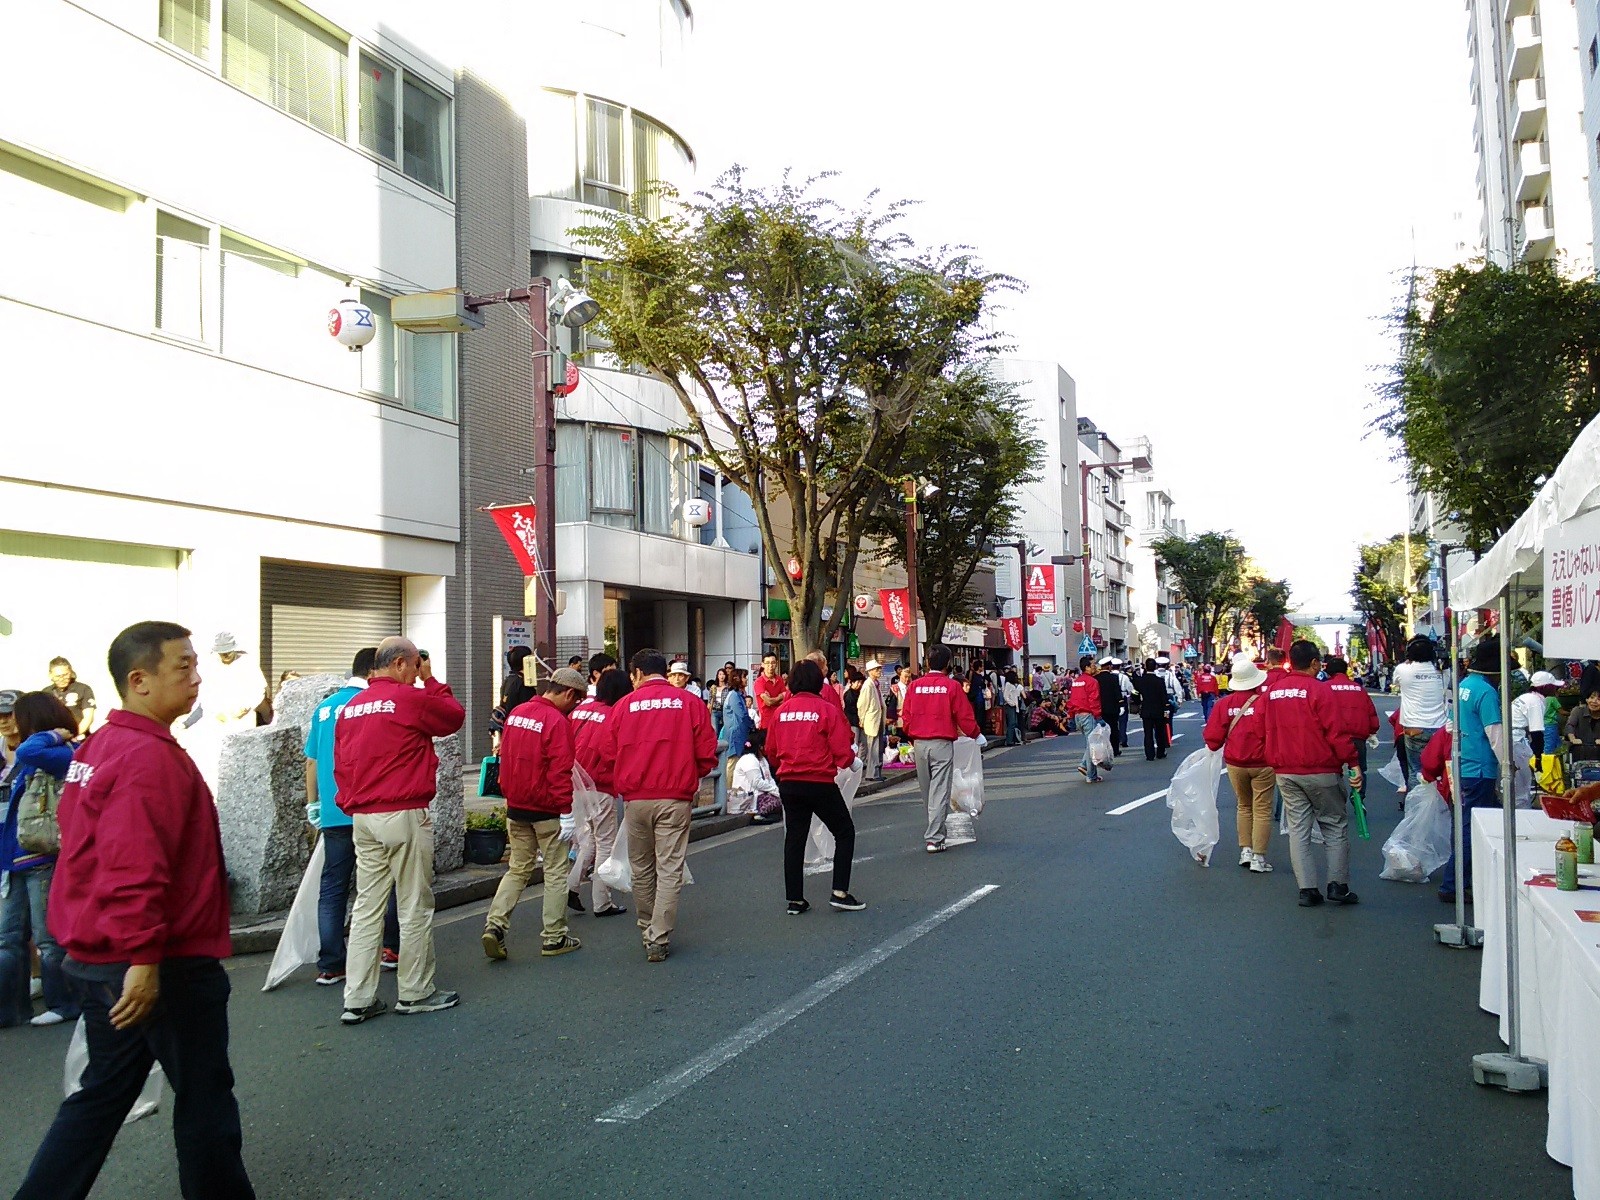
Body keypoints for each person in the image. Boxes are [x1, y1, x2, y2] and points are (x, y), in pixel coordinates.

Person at [12, 621, 254, 1200]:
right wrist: (144, 960)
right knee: (203, 1094)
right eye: (184, 667)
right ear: (139, 680)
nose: (197, 678)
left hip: (105, 955)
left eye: (196, 665)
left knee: (101, 1096)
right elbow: (133, 866)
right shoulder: (146, 757)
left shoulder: (100, 746)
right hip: (158, 962)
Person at [333, 637, 465, 1023]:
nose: (416, 673)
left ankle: (357, 998)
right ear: (402, 664)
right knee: (413, 904)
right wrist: (432, 680)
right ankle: (415, 991)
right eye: (414, 666)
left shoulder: (351, 708)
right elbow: (452, 716)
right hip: (403, 811)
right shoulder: (407, 698)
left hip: (363, 816)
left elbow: (341, 763)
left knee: (367, 907)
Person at [602, 649, 719, 962]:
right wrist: (690, 774)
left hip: (635, 798)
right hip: (675, 796)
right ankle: (658, 936)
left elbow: (608, 753)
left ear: (638, 673)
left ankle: (646, 927)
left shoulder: (623, 706)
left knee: (641, 867)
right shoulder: (689, 703)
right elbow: (706, 753)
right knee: (669, 868)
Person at [302, 648, 400, 987]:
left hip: (332, 812)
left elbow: (312, 760)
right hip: (369, 806)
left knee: (333, 887)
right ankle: (391, 948)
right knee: (386, 880)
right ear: (374, 671)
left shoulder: (324, 708)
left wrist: (313, 804)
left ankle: (331, 964)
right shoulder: (373, 704)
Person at [482, 667, 589, 962]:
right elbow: (560, 770)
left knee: (518, 869)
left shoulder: (517, 713)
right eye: (576, 700)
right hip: (546, 809)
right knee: (555, 872)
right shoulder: (557, 721)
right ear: (568, 693)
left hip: (516, 806)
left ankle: (495, 925)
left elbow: (505, 757)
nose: (575, 706)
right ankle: (554, 936)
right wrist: (566, 812)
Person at [1, 691, 79, 1026]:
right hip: (13, 859)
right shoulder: (27, 757)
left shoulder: (61, 752)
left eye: (17, 716)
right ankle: (10, 1009)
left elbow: (28, 749)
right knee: (7, 938)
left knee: (48, 938)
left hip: (41, 857)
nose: (12, 723)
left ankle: (63, 1003)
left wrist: (54, 734)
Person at [765, 660, 865, 915]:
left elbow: (771, 751)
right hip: (819, 782)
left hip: (789, 782)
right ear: (818, 682)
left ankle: (795, 899)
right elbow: (841, 749)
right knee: (844, 831)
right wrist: (852, 762)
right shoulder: (826, 710)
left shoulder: (781, 712)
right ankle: (840, 892)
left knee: (794, 839)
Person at [1265, 640, 1359, 908]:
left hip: (1285, 770)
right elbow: (1336, 731)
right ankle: (1338, 885)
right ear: (1314, 663)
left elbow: (1262, 728)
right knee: (1334, 825)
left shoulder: (1273, 692)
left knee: (1298, 830)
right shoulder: (1319, 690)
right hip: (1321, 768)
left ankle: (1307, 889)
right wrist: (1352, 762)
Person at [1439, 638, 1505, 904]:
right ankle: (1454, 883)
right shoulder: (1487, 692)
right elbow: (1495, 734)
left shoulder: (1464, 685)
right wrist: (1509, 765)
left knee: (1463, 824)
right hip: (1480, 767)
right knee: (1472, 827)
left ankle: (1458, 880)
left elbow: (1449, 726)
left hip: (1462, 764)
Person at [899, 645, 980, 853]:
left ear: (927, 662)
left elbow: (906, 715)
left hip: (919, 742)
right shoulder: (951, 686)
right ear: (947, 663)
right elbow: (964, 714)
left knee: (927, 789)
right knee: (940, 789)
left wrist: (910, 733)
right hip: (942, 742)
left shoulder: (914, 686)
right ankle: (934, 837)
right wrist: (975, 734)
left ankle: (935, 829)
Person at [569, 667, 632, 917]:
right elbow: (612, 754)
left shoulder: (579, 710)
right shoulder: (614, 715)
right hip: (601, 785)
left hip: (575, 784)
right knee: (605, 842)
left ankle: (571, 886)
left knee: (589, 840)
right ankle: (602, 902)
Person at [1204, 655, 1274, 873]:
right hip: (1263, 762)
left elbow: (1213, 739)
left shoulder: (1223, 704)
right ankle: (1259, 858)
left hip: (1235, 762)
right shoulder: (1266, 702)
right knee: (1262, 809)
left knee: (1243, 806)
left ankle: (1245, 850)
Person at [1392, 637, 1447, 793]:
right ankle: (1440, 803)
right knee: (1440, 771)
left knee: (1416, 770)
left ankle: (1416, 805)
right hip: (1440, 729)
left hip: (1414, 728)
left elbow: (1395, 683)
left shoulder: (1402, 670)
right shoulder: (1443, 671)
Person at [1322, 657, 1379, 798]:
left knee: (1333, 771)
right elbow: (1370, 711)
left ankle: (1336, 798)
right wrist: (1372, 731)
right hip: (1357, 736)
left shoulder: (1324, 688)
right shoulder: (1358, 689)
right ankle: (1359, 797)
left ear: (1328, 672)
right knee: (1360, 769)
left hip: (1332, 737)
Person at [1511, 671, 1559, 804]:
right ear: (1546, 687)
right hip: (1517, 741)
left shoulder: (1526, 697)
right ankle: (1522, 810)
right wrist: (1538, 758)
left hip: (1513, 738)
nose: (1556, 688)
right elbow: (1537, 733)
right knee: (1522, 784)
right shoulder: (1535, 701)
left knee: (1514, 782)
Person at [717, 668, 753, 814]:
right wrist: (752, 725)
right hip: (735, 734)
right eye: (744, 677)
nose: (746, 680)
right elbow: (742, 715)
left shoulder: (738, 695)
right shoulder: (734, 696)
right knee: (732, 763)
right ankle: (727, 794)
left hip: (739, 733)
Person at [1065, 656, 1105, 783]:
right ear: (1087, 667)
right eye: (1093, 665)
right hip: (1088, 715)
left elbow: (1072, 700)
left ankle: (1090, 771)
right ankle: (1089, 773)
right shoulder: (1092, 681)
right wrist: (1098, 716)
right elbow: (1094, 700)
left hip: (1078, 715)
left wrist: (1071, 716)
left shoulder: (1076, 682)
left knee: (1090, 744)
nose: (1095, 667)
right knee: (1092, 745)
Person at [731, 729, 782, 822]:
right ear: (760, 746)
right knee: (779, 802)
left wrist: (776, 791)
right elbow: (756, 782)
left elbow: (769, 779)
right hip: (750, 797)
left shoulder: (762, 760)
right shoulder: (749, 760)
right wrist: (775, 791)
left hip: (762, 793)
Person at [491, 646, 535, 752]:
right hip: (521, 736)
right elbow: (529, 712)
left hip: (509, 732)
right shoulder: (524, 684)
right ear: (527, 661)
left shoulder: (508, 680)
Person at [45, 658, 95, 740]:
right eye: (58, 676)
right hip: (55, 740)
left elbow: (88, 718)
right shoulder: (46, 693)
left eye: (65, 675)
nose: (62, 679)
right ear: (50, 675)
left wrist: (74, 735)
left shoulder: (83, 689)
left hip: (79, 738)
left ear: (70, 672)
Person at [1135, 660, 1171, 760]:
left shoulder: (1140, 680)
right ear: (1155, 667)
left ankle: (1149, 754)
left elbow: (1135, 693)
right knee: (1160, 732)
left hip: (1146, 709)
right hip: (1158, 710)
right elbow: (1164, 696)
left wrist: (1138, 702)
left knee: (1148, 733)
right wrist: (1166, 708)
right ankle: (1160, 752)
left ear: (1145, 667)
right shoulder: (1159, 681)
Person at [859, 660, 887, 778]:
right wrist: (862, 719)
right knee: (873, 748)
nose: (879, 671)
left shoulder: (875, 684)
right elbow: (862, 704)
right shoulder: (868, 685)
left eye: (879, 669)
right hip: (872, 719)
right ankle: (872, 774)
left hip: (878, 718)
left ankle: (877, 772)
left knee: (878, 747)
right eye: (876, 669)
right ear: (870, 671)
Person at [1096, 658, 1124, 757]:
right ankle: (1115, 750)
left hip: (1101, 708)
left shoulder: (1096, 678)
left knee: (1101, 729)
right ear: (1109, 666)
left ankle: (1103, 750)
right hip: (1113, 708)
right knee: (1114, 729)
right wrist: (1121, 704)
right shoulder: (1114, 678)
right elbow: (1117, 692)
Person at [752, 652, 789, 728]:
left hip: (780, 721)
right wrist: (780, 697)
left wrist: (773, 700)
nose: (770, 666)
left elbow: (786, 700)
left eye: (773, 663)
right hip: (766, 724)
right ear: (762, 664)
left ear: (776, 663)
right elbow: (769, 702)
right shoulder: (759, 682)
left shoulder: (780, 679)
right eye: (767, 663)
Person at [1567, 690, 1600, 761]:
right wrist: (1573, 739)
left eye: (1599, 699)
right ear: (1587, 700)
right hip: (1580, 753)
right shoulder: (1578, 711)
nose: (1594, 701)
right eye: (1591, 697)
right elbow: (1570, 725)